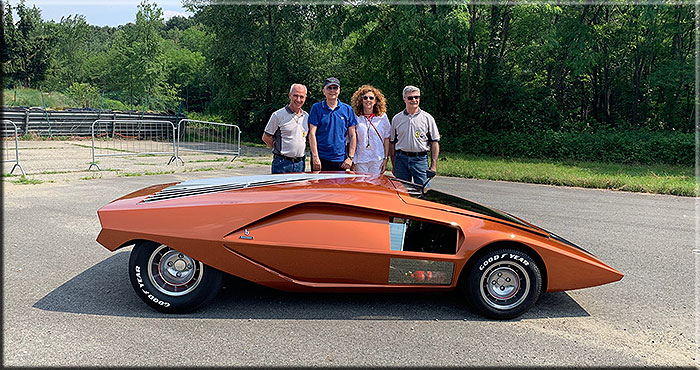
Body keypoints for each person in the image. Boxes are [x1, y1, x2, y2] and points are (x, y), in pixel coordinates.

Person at [389, 85, 440, 185]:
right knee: (402, 191)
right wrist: (394, 164)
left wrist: (433, 165)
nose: (414, 100)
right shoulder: (397, 119)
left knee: (424, 190)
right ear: (404, 99)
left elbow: (434, 142)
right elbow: (392, 143)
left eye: (417, 97)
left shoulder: (427, 118)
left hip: (420, 160)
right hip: (401, 159)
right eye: (410, 97)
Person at [308, 77, 357, 172]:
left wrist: (350, 158)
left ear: (339, 90)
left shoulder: (347, 109)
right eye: (329, 88)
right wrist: (315, 157)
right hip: (321, 158)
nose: (332, 91)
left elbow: (352, 135)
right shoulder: (316, 108)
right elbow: (312, 133)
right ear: (324, 91)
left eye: (335, 88)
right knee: (319, 187)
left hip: (340, 160)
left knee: (338, 187)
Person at [262, 83, 309, 174]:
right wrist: (278, 150)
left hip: (300, 163)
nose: (298, 99)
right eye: (295, 96)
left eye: (301, 97)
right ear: (289, 95)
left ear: (305, 98)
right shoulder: (278, 115)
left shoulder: (306, 117)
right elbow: (266, 137)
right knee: (282, 188)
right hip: (282, 164)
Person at [350, 85, 390, 174]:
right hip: (360, 159)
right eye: (365, 98)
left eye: (371, 98)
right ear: (361, 100)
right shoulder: (356, 117)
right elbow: (351, 138)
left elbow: (387, 138)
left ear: (375, 101)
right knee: (361, 186)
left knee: (375, 186)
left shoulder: (382, 117)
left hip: (377, 158)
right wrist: (352, 159)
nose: (368, 100)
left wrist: (386, 158)